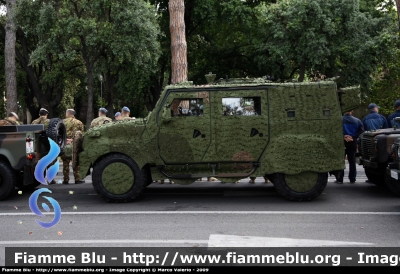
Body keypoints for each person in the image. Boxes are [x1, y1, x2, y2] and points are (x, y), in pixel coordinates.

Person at [335, 110, 364, 184]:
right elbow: (361, 132)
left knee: (341, 161)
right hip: (352, 142)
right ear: (352, 111)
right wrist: (353, 137)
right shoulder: (357, 121)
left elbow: (335, 131)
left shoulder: (339, 120)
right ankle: (352, 178)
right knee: (352, 161)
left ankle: (340, 178)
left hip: (342, 142)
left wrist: (344, 136)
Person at [61, 109, 85, 184]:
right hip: (75, 145)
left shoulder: (62, 122)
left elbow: (58, 133)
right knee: (76, 161)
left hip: (65, 144)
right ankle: (77, 179)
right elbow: (82, 135)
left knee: (65, 162)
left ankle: (66, 179)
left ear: (67, 113)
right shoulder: (79, 122)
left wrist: (66, 139)